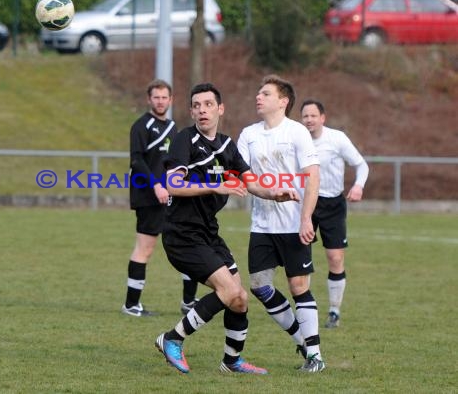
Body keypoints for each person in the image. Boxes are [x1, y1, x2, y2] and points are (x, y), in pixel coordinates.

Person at [155, 83, 300, 374]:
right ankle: (171, 338)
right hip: (182, 235)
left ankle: (231, 361)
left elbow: (250, 181)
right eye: (196, 105)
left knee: (239, 299)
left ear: (220, 109)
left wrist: (275, 194)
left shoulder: (225, 145)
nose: (202, 110)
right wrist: (216, 186)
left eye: (208, 104)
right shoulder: (184, 140)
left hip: (208, 233)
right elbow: (173, 185)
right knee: (228, 290)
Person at [237, 75, 325, 372]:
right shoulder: (249, 134)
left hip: (293, 225)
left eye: (265, 93)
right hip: (262, 225)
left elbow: (313, 178)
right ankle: (304, 339)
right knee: (259, 286)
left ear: (283, 101)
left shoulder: (297, 132)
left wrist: (305, 219)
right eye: (258, 93)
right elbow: (244, 178)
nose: (258, 97)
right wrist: (267, 193)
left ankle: (315, 357)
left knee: (298, 285)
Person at [122, 79, 199, 317]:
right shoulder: (141, 126)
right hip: (148, 197)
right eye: (156, 97)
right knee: (145, 248)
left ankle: (188, 302)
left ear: (171, 99)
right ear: (149, 99)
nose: (160, 101)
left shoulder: (173, 127)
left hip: (172, 197)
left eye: (164, 97)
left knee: (187, 242)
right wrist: (156, 185)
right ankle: (131, 305)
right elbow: (137, 161)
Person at [300, 99, 369, 328]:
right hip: (305, 204)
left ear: (323, 118)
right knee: (302, 259)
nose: (309, 120)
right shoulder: (296, 139)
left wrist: (358, 185)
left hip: (333, 205)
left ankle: (334, 311)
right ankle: (305, 309)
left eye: (313, 115)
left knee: (335, 257)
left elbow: (361, 165)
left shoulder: (337, 139)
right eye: (305, 116)